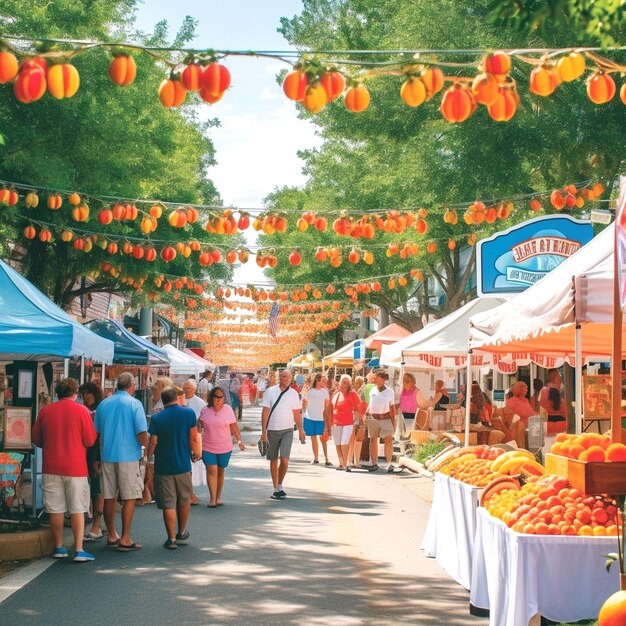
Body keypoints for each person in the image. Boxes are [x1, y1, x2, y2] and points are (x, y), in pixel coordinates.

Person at [32, 378, 97, 562]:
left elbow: (36, 439)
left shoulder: (46, 411)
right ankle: (78, 549)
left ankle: (59, 546)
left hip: (51, 466)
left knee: (55, 508)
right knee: (77, 508)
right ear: (75, 393)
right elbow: (90, 440)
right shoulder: (82, 411)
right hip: (76, 467)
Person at [94, 372, 148, 552]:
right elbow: (141, 432)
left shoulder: (104, 404)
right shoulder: (135, 404)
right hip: (128, 455)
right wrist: (147, 449)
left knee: (109, 495)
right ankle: (125, 537)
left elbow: (97, 433)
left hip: (107, 454)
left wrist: (96, 457)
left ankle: (111, 534)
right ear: (132, 386)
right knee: (129, 496)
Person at [147, 386, 200, 549]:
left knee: (168, 504)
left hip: (163, 466)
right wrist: (195, 452)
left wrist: (148, 456)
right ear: (177, 398)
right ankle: (182, 531)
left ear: (163, 400)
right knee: (184, 500)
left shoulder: (157, 418)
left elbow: (153, 441)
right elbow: (193, 437)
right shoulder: (189, 413)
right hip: (183, 464)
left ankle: (171, 539)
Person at [260, 369, 304, 500]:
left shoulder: (294, 394)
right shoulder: (270, 392)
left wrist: (301, 429)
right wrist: (263, 432)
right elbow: (265, 412)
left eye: (287, 377)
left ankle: (280, 484)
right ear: (279, 377)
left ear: (291, 379)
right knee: (273, 459)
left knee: (284, 459)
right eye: (282, 376)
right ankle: (275, 488)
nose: (284, 378)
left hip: (287, 430)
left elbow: (297, 413)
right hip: (272, 429)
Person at [198, 387, 245, 507]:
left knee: (220, 471)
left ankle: (218, 496)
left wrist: (239, 441)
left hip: (224, 446)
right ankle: (212, 499)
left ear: (224, 398)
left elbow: (234, 426)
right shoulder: (205, 410)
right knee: (212, 470)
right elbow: (199, 425)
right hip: (208, 446)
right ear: (211, 398)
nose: (218, 399)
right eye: (216, 397)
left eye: (221, 397)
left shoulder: (228, 410)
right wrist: (196, 442)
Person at [79, 382, 105, 542]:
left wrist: (98, 458)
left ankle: (96, 524)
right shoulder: (83, 410)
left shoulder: (100, 409)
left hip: (96, 453)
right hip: (85, 453)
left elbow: (100, 435)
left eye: (89, 393)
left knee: (97, 488)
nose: (86, 396)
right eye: (84, 394)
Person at [325, 374, 364, 471]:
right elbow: (330, 409)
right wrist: (328, 425)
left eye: (347, 382)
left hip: (348, 422)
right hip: (336, 423)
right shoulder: (336, 393)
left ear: (350, 383)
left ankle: (346, 463)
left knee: (344, 442)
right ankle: (341, 463)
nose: (345, 384)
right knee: (337, 443)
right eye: (343, 381)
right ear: (340, 382)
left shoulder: (352, 394)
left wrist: (360, 421)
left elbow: (359, 408)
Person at [366, 369, 397, 472]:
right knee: (373, 440)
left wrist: (394, 422)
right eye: (376, 380)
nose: (377, 382)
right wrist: (365, 415)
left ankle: (389, 463)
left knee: (388, 440)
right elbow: (370, 404)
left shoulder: (390, 391)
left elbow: (392, 407)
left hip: (385, 418)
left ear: (384, 379)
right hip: (373, 418)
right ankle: (374, 463)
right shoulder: (372, 390)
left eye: (379, 380)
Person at [182, 380, 207, 505]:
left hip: (194, 437)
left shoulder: (200, 403)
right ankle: (188, 493)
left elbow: (202, 422)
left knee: (192, 465)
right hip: (182, 436)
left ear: (194, 389)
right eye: (184, 388)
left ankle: (189, 492)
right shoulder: (180, 400)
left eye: (189, 388)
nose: (187, 390)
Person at [302, 372, 331, 466]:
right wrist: (305, 410)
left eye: (322, 380)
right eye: (320, 380)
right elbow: (304, 401)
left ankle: (327, 458)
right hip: (310, 417)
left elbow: (327, 405)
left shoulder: (324, 391)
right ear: (317, 380)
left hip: (321, 418)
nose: (321, 381)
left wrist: (327, 418)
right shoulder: (310, 391)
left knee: (323, 439)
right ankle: (316, 458)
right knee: (313, 437)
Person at [347, 375, 366, 469]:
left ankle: (352, 461)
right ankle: (354, 461)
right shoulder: (356, 392)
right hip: (357, 416)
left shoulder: (354, 392)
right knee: (356, 440)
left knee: (354, 440)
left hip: (356, 416)